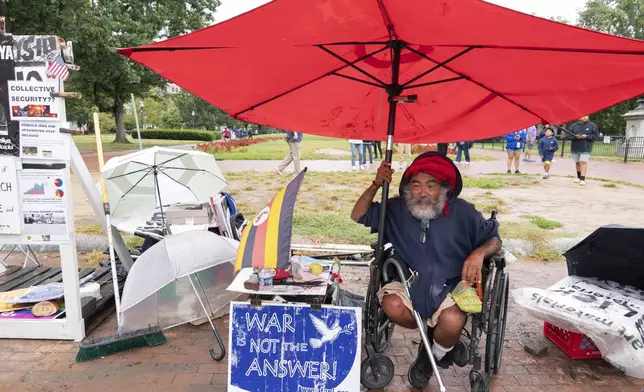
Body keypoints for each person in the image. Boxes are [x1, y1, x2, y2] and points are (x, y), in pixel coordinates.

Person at [351, 152, 501, 389]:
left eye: (430, 186)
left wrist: (478, 253)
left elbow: (494, 239)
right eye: (416, 185)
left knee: (451, 321)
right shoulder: (396, 209)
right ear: (408, 188)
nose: (422, 193)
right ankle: (438, 338)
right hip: (409, 281)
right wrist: (376, 183)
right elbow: (357, 214)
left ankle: (428, 359)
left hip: (451, 284)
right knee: (391, 305)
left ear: (443, 189)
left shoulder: (463, 212)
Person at [569, 116, 600, 186]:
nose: (584, 117)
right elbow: (568, 136)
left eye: (586, 115)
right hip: (575, 147)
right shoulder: (574, 126)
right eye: (582, 116)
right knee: (577, 162)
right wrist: (575, 136)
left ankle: (582, 179)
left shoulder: (592, 125)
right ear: (578, 118)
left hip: (586, 148)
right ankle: (578, 177)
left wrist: (586, 136)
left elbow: (596, 136)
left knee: (583, 162)